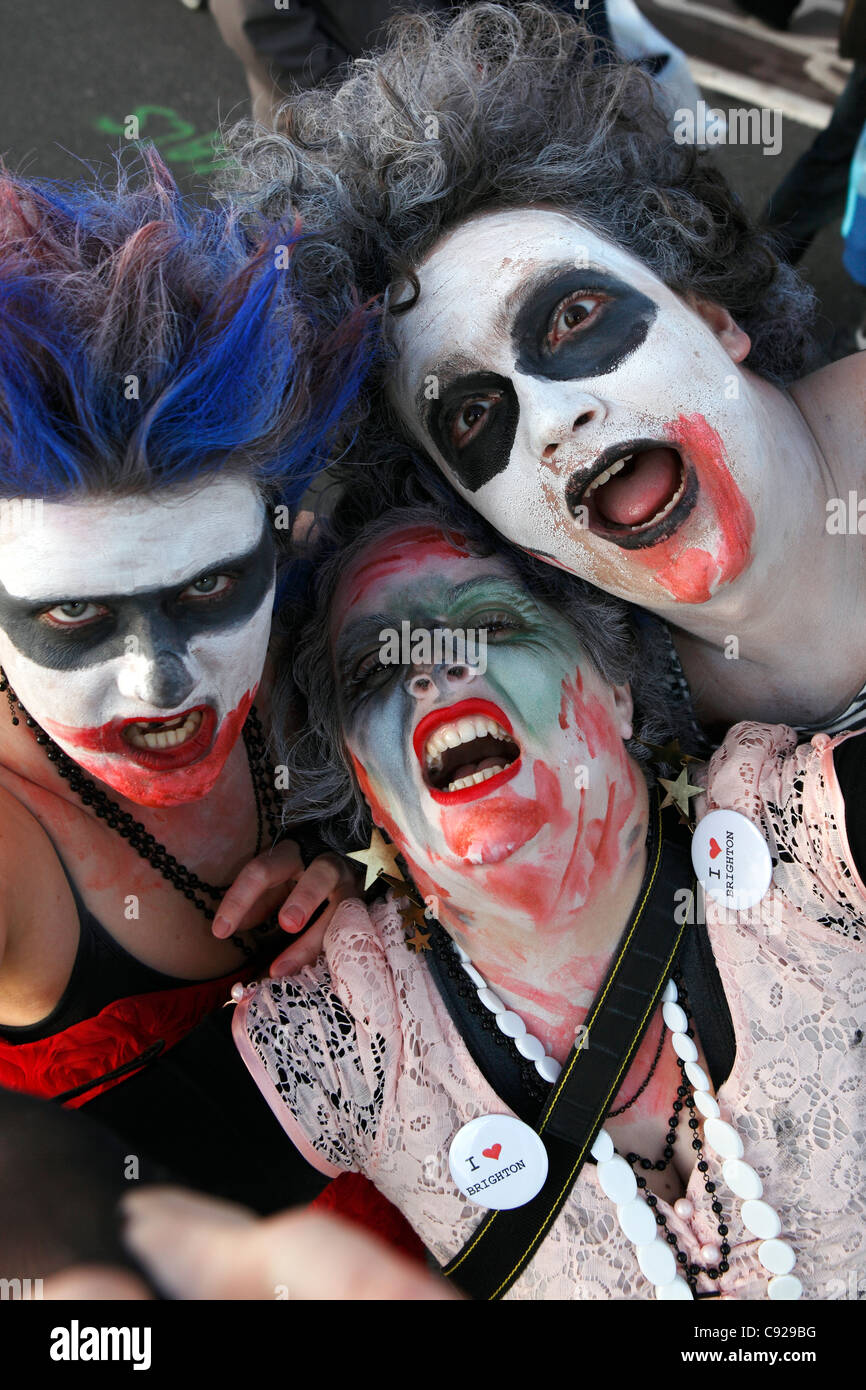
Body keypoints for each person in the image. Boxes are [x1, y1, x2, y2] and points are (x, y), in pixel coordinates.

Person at [219, 460, 864, 1301]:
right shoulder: (356, 1034)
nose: (431, 670)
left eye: (488, 623)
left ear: (617, 685)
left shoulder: (793, 845)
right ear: (363, 786)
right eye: (377, 670)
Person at [221, 2, 866, 741]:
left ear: (713, 315)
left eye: (574, 318)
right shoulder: (592, 723)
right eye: (471, 417)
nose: (555, 421)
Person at [0, 152, 420, 1251]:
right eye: (75, 619)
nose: (160, 679)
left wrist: (384, 893)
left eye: (207, 589)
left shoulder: (319, 625)